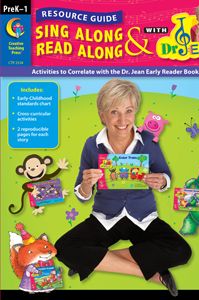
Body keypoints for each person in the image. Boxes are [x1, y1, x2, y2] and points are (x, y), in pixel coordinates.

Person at [55, 79, 192, 296]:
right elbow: (81, 195)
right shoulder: (92, 145)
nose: (122, 119)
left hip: (143, 215)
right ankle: (153, 275)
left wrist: (162, 181)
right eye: (114, 112)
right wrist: (86, 184)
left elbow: (165, 175)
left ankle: (96, 259)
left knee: (182, 251)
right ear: (102, 115)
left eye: (128, 111)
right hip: (105, 216)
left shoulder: (148, 141)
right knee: (62, 247)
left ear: (135, 111)